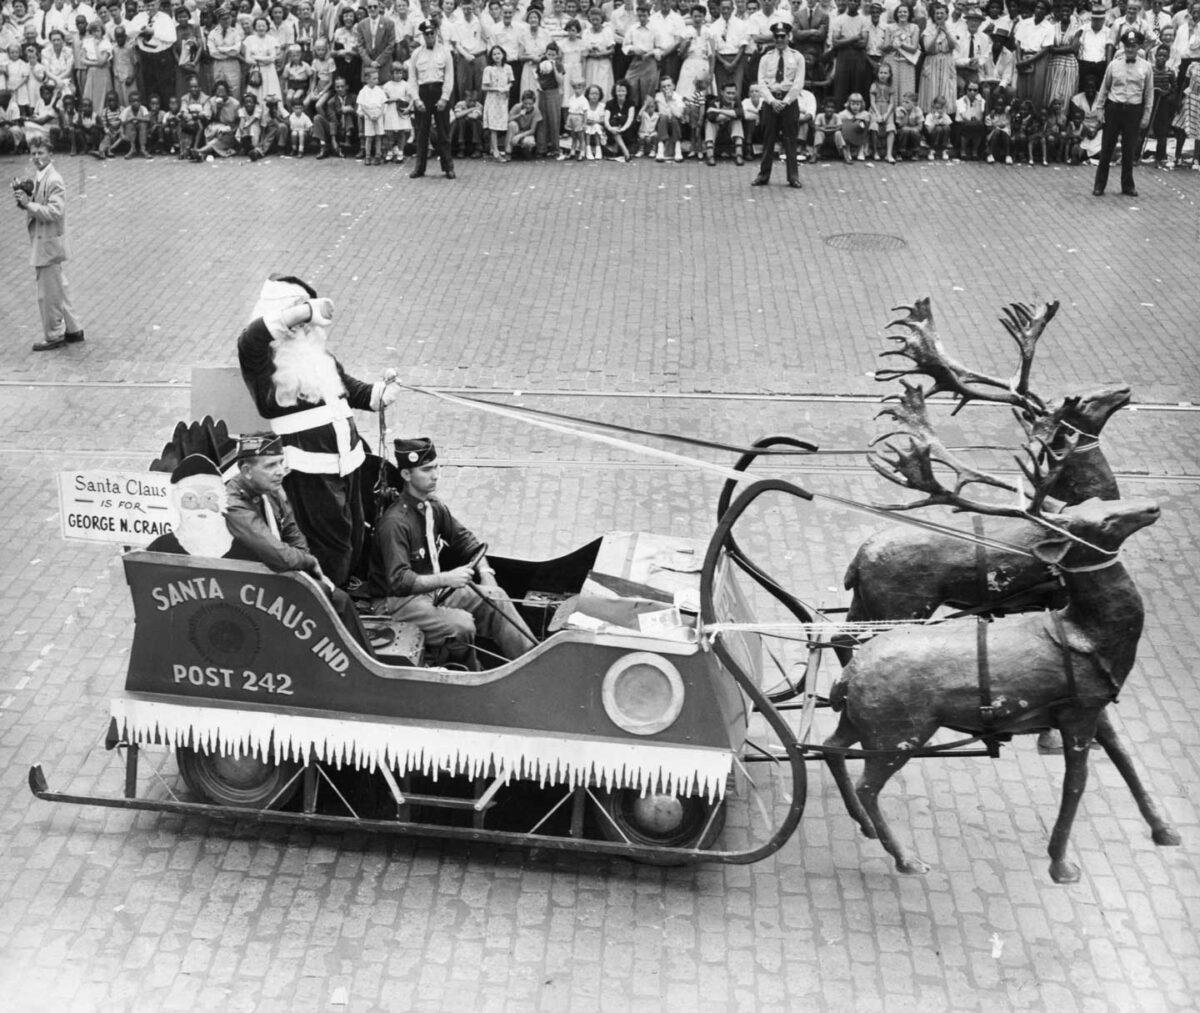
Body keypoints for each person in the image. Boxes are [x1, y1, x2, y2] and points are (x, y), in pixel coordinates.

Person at [237, 274, 399, 587]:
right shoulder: (259, 357)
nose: (308, 323)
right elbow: (252, 336)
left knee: (353, 533)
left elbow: (346, 387)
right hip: (309, 467)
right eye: (300, 312)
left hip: (348, 460)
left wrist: (378, 394)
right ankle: (329, 597)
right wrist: (302, 312)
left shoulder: (316, 354)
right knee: (332, 543)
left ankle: (344, 588)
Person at [365, 437, 538, 668]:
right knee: (461, 626)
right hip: (395, 602)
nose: (435, 475)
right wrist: (447, 579)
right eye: (426, 470)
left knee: (497, 598)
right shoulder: (395, 523)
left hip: (431, 591)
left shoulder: (432, 507)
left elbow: (466, 541)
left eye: (437, 467)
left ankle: (534, 664)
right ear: (406, 475)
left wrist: (485, 571)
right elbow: (399, 581)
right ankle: (474, 678)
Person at [224, 433, 373, 651]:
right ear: (246, 471)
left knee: (337, 599)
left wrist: (306, 573)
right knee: (334, 602)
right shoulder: (233, 504)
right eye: (271, 465)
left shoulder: (270, 488)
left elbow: (293, 533)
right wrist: (310, 563)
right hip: (245, 590)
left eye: (281, 462)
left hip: (274, 577)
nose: (280, 471)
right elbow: (279, 555)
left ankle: (357, 660)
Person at [13, 135, 84, 352]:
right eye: (33, 153)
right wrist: (27, 196)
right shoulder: (41, 175)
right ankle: (74, 329)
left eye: (40, 153)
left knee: (48, 294)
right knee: (59, 288)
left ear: (50, 153)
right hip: (48, 242)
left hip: (48, 244)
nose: (36, 158)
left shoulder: (54, 180)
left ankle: (53, 335)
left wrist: (29, 205)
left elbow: (55, 212)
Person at [1093, 27, 1153, 196]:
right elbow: (1104, 88)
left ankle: (1128, 186)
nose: (1130, 49)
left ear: (1139, 47)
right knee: (1107, 149)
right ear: (1123, 47)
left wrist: (1145, 117)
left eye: (1133, 46)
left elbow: (1149, 94)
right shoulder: (1114, 64)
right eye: (1127, 46)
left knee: (1129, 151)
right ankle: (1099, 185)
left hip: (1133, 111)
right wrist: (1100, 110)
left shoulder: (1147, 67)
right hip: (1114, 109)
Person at [147, 454, 238, 557]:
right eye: (190, 498)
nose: (201, 506)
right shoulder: (160, 548)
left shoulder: (245, 549)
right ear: (177, 501)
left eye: (209, 498)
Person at [751, 21, 805, 187]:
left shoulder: (797, 57)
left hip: (789, 102)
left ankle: (793, 176)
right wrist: (772, 101)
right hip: (771, 101)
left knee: (790, 140)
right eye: (777, 37)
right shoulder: (766, 58)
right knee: (768, 139)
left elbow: (798, 83)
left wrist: (786, 101)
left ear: (788, 37)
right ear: (773, 38)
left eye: (783, 36)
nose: (780, 40)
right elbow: (761, 82)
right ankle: (763, 175)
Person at [408, 19, 455, 178]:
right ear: (422, 35)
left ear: (436, 33)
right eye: (426, 34)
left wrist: (444, 98)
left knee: (443, 132)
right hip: (423, 94)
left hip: (439, 91)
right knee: (422, 133)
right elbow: (412, 80)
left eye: (432, 33)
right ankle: (419, 168)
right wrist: (416, 99)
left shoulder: (445, 52)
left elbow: (449, 77)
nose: (429, 36)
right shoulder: (416, 54)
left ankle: (448, 167)